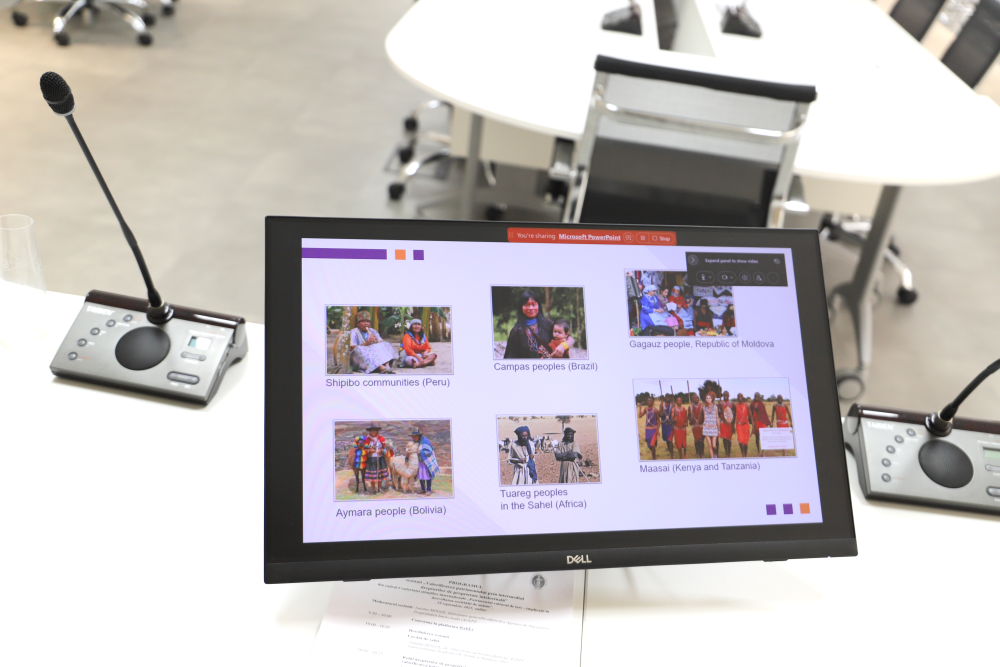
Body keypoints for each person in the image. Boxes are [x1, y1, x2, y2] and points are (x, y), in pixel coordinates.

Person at [503, 290, 554, 359]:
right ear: (521, 308)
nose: (531, 308)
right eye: (526, 305)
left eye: (534, 305)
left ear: (539, 306)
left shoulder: (548, 325)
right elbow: (510, 357)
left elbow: (565, 338)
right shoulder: (516, 331)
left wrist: (563, 346)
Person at [361, 424, 391, 493]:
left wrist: (381, 450)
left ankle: (379, 488)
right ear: (370, 431)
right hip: (371, 459)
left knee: (380, 475)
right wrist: (369, 451)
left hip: (380, 459)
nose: (373, 432)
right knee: (372, 475)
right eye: (372, 431)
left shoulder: (381, 439)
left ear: (377, 431)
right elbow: (364, 449)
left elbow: (385, 448)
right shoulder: (367, 440)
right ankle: (373, 489)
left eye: (375, 430)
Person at [410, 427, 440, 494]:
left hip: (426, 461)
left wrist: (420, 452)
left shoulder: (425, 441)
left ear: (418, 436)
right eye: (413, 437)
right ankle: (423, 489)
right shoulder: (414, 442)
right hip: (419, 461)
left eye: (414, 436)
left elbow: (429, 451)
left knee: (427, 475)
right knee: (421, 475)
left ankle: (428, 490)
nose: (413, 438)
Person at [702, 392, 720, 458]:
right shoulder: (704, 407)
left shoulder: (715, 407)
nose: (708, 399)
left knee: (714, 445)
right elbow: (704, 417)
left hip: (714, 427)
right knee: (709, 444)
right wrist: (704, 424)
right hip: (706, 428)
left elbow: (717, 418)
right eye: (707, 398)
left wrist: (719, 429)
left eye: (709, 398)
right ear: (705, 399)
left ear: (712, 399)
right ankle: (712, 459)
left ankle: (715, 454)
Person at [718, 390, 734, 457]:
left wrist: (733, 425)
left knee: (729, 439)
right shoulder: (720, 403)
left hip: (729, 423)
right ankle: (726, 452)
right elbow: (718, 414)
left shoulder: (732, 403)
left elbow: (734, 413)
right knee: (724, 438)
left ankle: (729, 452)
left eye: (727, 394)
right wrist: (720, 410)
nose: (726, 396)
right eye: (724, 394)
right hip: (723, 423)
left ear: (729, 395)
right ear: (723, 395)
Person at [658, 394, 674, 458]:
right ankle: (670, 451)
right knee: (667, 440)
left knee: (670, 440)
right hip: (664, 424)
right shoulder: (662, 404)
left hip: (670, 424)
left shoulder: (672, 404)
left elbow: (675, 414)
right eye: (666, 396)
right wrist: (662, 413)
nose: (667, 398)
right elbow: (659, 414)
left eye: (668, 396)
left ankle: (672, 455)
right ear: (664, 398)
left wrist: (673, 424)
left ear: (670, 398)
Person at [689, 393, 705, 458]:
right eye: (694, 398)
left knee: (701, 440)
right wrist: (690, 419)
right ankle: (697, 452)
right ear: (692, 399)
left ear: (698, 399)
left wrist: (703, 422)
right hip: (694, 426)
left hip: (701, 425)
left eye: (696, 398)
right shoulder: (690, 407)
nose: (695, 399)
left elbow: (704, 415)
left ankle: (702, 453)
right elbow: (688, 416)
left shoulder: (702, 406)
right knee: (696, 439)